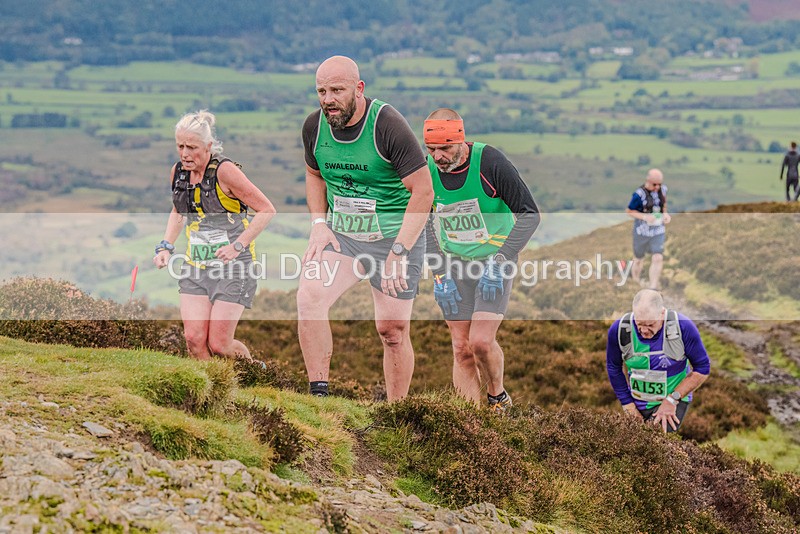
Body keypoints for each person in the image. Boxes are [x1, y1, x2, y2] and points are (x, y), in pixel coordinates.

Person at [297, 56, 434, 400]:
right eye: (322, 91)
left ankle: (395, 409)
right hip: (342, 236)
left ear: (359, 89)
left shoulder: (387, 125)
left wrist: (399, 251)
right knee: (309, 297)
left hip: (393, 238)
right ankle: (319, 396)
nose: (328, 99)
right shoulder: (314, 127)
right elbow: (314, 174)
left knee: (392, 330)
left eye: (337, 90)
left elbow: (424, 191)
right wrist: (318, 223)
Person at [423, 109, 540, 413]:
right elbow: (422, 223)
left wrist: (501, 261)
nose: (438, 157)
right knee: (461, 349)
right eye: (431, 149)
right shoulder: (428, 170)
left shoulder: (490, 162)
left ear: (460, 140)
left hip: (494, 262)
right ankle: (469, 423)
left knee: (480, 343)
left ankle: (497, 396)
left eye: (445, 148)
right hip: (453, 264)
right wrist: (439, 274)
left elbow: (530, 214)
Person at [154, 110, 276, 365]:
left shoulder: (226, 172)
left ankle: (255, 372)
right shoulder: (178, 172)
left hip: (234, 267)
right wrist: (166, 246)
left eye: (192, 147)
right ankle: (217, 394)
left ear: (208, 146)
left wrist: (237, 245)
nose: (185, 153)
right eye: (180, 146)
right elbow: (179, 210)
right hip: (196, 266)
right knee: (194, 340)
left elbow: (266, 210)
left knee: (219, 345)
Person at [606, 289, 710, 433]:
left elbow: (702, 368)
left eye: (650, 325)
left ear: (662, 313)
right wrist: (628, 404)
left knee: (656, 447)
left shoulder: (683, 327)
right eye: (639, 324)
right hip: (637, 401)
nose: (644, 330)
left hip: (672, 398)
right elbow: (613, 367)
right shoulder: (620, 330)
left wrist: (672, 399)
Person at [625, 169, 670, 290]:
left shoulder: (663, 190)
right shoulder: (638, 194)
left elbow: (663, 205)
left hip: (658, 231)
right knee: (638, 259)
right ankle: (635, 282)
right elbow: (629, 211)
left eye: (659, 184)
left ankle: (653, 287)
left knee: (658, 257)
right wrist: (644, 217)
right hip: (641, 232)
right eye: (654, 184)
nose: (657, 187)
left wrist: (665, 214)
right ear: (648, 181)